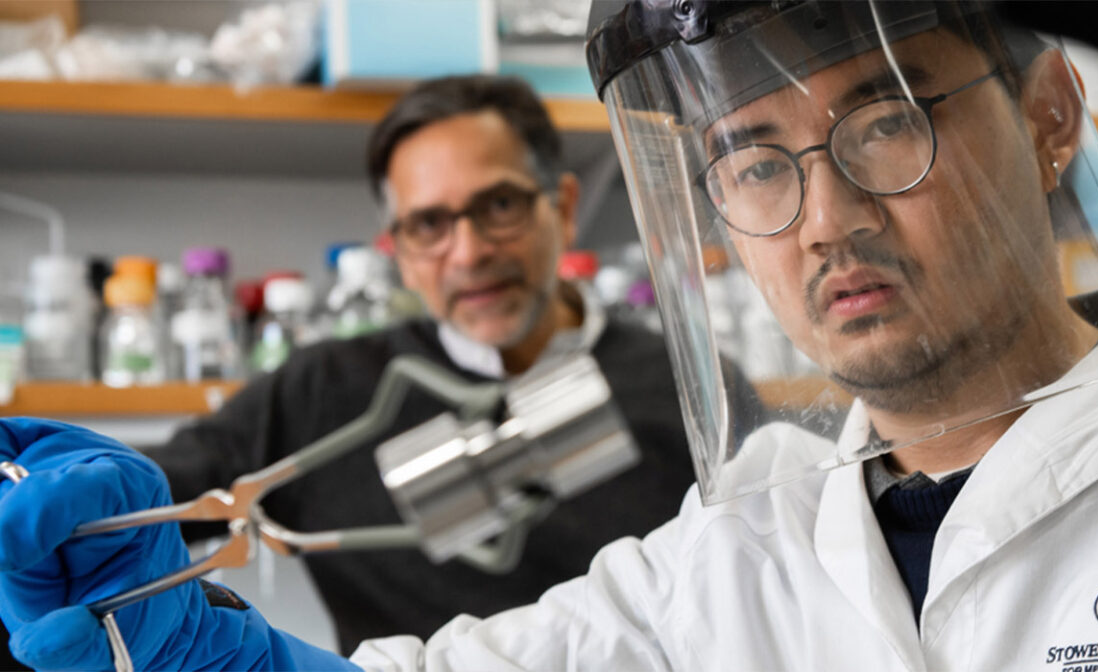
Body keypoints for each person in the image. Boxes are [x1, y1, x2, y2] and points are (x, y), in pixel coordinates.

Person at [2, 2, 1098, 670]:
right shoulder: (733, 552)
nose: (820, 217)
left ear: (1052, 115)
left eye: (887, 120)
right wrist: (191, 651)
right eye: (750, 159)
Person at [27, 74, 706, 659]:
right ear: (397, 249)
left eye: (497, 206)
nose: (466, 253)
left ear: (559, 206)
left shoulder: (683, 381)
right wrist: (63, 495)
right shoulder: (323, 392)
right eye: (429, 225)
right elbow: (156, 496)